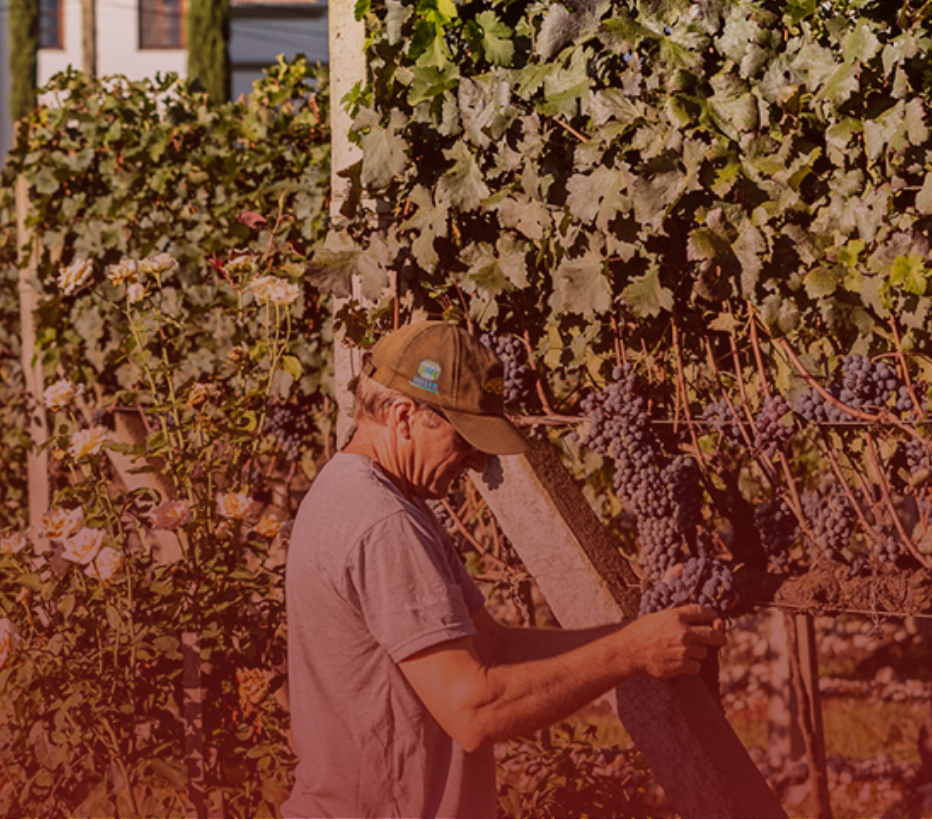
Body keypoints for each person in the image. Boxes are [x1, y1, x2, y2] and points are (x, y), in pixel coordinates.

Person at [283, 320, 726, 819]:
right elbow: (472, 709)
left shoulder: (362, 495)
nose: (474, 462)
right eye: (465, 438)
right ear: (404, 417)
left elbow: (493, 646)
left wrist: (638, 635)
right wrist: (630, 653)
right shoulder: (382, 523)